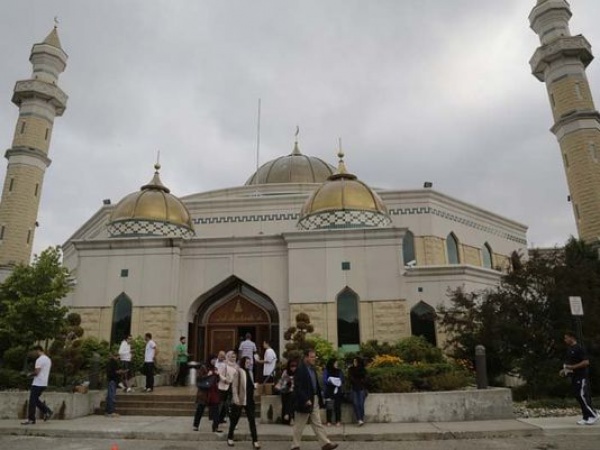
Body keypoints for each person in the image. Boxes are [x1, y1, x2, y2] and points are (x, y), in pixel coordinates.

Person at [291, 349, 338, 450]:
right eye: (311, 357)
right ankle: (295, 445)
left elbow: (315, 384)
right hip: (304, 401)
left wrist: (320, 397)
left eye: (314, 357)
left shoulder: (312, 369)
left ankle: (325, 444)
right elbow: (298, 387)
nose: (314, 359)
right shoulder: (300, 369)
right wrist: (305, 399)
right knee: (299, 424)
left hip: (314, 398)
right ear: (306, 357)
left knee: (317, 423)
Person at [560, 332, 599, 425]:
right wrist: (564, 370)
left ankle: (594, 414)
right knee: (578, 396)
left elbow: (586, 362)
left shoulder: (579, 348)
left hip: (581, 376)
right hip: (574, 376)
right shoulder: (570, 349)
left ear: (572, 338)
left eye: (566, 338)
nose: (565, 340)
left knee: (582, 395)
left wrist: (572, 367)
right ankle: (586, 417)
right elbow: (570, 364)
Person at [227, 356, 261, 449]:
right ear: (243, 362)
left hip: (249, 400)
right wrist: (235, 398)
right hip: (240, 399)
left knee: (252, 420)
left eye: (249, 362)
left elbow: (249, 385)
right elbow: (234, 386)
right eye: (247, 362)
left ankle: (255, 441)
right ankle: (230, 437)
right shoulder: (238, 371)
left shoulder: (250, 372)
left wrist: (254, 386)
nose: (248, 364)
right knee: (235, 419)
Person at [21, 345, 54, 425]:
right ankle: (47, 411)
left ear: (38, 350)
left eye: (34, 352)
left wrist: (28, 374)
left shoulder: (39, 360)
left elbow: (37, 372)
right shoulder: (48, 359)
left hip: (37, 383)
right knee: (35, 400)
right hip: (44, 383)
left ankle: (31, 419)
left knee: (32, 401)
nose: (33, 354)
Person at [193, 356, 222, 432]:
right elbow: (198, 379)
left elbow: (217, 380)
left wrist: (218, 375)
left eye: (215, 360)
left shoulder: (215, 369)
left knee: (216, 410)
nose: (214, 361)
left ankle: (215, 427)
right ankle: (196, 425)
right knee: (200, 409)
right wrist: (207, 375)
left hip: (213, 392)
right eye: (213, 359)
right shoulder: (204, 368)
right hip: (204, 393)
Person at [217, 350, 238, 425]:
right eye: (231, 357)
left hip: (232, 386)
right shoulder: (224, 365)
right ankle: (218, 419)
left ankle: (226, 419)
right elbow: (219, 374)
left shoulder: (236, 366)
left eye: (234, 357)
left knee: (229, 404)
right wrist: (225, 380)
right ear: (228, 357)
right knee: (222, 403)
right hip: (224, 386)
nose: (233, 358)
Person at [323, 358, 344, 426]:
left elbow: (341, 380)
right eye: (335, 363)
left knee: (337, 406)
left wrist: (337, 381)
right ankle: (329, 421)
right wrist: (332, 381)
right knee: (329, 406)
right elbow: (325, 380)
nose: (336, 364)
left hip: (337, 391)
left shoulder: (339, 371)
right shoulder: (326, 370)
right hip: (329, 391)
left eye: (337, 363)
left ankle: (338, 420)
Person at [348, 357, 368, 426]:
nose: (354, 363)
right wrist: (356, 381)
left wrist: (360, 382)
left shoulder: (363, 369)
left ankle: (361, 419)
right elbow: (350, 378)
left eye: (356, 361)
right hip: (354, 388)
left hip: (361, 388)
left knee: (361, 404)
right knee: (356, 404)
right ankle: (359, 419)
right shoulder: (351, 369)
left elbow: (366, 379)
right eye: (354, 361)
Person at [278, 358, 298, 425]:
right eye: (292, 366)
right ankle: (289, 418)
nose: (293, 368)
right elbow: (281, 381)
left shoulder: (298, 373)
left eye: (295, 366)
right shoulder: (286, 372)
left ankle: (288, 415)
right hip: (285, 390)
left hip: (293, 391)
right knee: (288, 398)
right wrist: (287, 383)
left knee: (291, 397)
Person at [105, 351, 122, 417]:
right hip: (112, 380)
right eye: (118, 357)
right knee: (111, 396)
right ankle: (111, 412)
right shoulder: (113, 363)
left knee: (109, 396)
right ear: (116, 356)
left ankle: (107, 411)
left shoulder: (109, 362)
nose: (118, 358)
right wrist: (119, 372)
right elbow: (113, 372)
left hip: (110, 380)